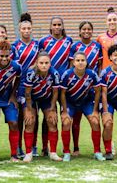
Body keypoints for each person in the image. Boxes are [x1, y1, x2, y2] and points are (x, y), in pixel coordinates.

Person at [60, 52, 104, 161]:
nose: (80, 63)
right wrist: (64, 111)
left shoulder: (92, 74)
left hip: (86, 102)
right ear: (73, 62)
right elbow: (62, 94)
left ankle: (97, 152)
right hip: (70, 103)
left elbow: (98, 91)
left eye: (82, 60)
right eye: (78, 60)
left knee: (95, 122)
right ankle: (66, 152)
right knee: (66, 122)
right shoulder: (67, 74)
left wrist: (95, 111)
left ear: (86, 62)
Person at [38, 16, 72, 156]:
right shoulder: (43, 41)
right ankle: (44, 147)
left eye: (59, 24)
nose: (57, 27)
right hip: (47, 85)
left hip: (63, 85)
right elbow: (40, 61)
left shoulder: (68, 41)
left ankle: (67, 149)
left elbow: (71, 62)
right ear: (50, 27)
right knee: (48, 117)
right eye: (54, 24)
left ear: (62, 26)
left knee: (65, 116)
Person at [69, 21, 103, 156]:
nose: (86, 31)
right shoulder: (75, 46)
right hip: (77, 87)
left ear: (92, 31)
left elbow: (100, 64)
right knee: (75, 120)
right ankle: (76, 148)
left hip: (92, 87)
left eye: (89, 29)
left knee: (95, 119)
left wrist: (98, 79)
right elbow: (70, 65)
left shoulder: (97, 46)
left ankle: (98, 150)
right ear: (80, 31)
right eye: (84, 29)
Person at [22, 51, 62, 162]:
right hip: (32, 99)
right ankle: (28, 153)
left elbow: (55, 93)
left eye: (46, 63)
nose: (44, 65)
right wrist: (29, 110)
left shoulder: (54, 73)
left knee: (52, 120)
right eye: (41, 63)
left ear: (50, 64)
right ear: (37, 63)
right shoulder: (31, 72)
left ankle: (53, 152)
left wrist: (53, 109)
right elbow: (28, 93)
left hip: (47, 99)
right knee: (30, 121)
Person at [13, 13, 40, 158]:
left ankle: (33, 146)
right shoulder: (14, 46)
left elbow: (42, 60)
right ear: (20, 30)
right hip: (19, 86)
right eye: (24, 28)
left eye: (29, 28)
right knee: (19, 118)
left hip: (34, 86)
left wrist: (35, 67)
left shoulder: (37, 44)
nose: (26, 31)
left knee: (33, 116)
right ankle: (17, 147)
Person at [100, 44, 117, 160]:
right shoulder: (105, 73)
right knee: (108, 123)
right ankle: (108, 150)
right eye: (115, 55)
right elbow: (103, 93)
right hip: (109, 101)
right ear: (110, 58)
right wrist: (106, 112)